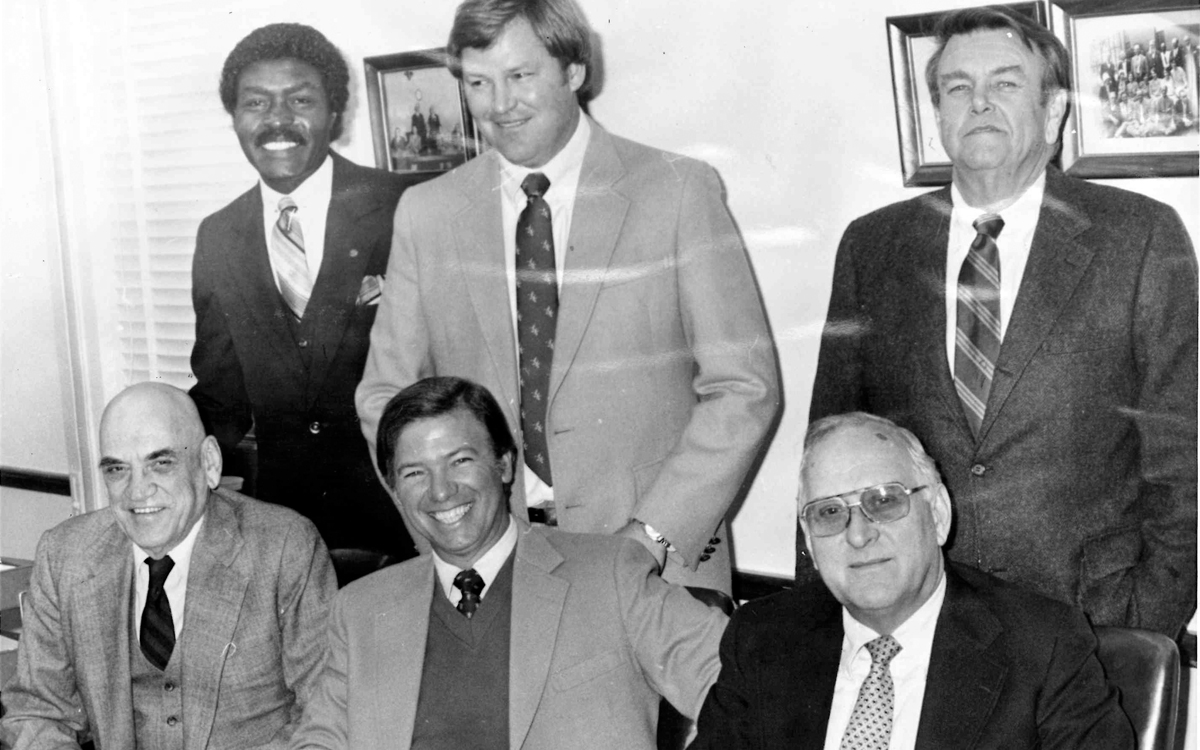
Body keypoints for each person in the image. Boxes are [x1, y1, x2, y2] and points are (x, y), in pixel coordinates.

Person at [355, 0, 779, 596]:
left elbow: (743, 387)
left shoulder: (677, 192)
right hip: (490, 567)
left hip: (659, 566)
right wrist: (448, 523)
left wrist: (652, 535)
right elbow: (385, 397)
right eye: (478, 83)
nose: (500, 104)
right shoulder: (427, 214)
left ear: (573, 70)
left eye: (520, 75)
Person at [808, 6, 1196, 637]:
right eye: (958, 87)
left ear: (1054, 112)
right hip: (923, 624)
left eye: (1006, 84)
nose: (980, 103)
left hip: (1093, 623)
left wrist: (1146, 622)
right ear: (938, 114)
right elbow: (828, 447)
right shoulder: (873, 247)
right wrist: (825, 622)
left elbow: (1185, 457)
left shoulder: (1139, 236)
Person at [290, 376, 727, 750]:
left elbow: (742, 682)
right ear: (394, 489)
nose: (441, 492)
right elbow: (320, 741)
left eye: (460, 461)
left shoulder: (609, 574)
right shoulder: (361, 609)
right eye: (415, 473)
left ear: (503, 464)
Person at [691, 412, 1134, 749]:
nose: (858, 535)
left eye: (884, 501)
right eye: (829, 512)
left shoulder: (1044, 647)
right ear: (809, 538)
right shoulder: (764, 637)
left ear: (937, 514)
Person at [190, 23, 424, 560]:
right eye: (256, 103)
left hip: (408, 521)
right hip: (287, 536)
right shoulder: (218, 236)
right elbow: (222, 398)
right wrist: (158, 441)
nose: (277, 120)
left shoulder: (407, 204)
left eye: (300, 100)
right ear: (234, 117)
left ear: (334, 112)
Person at [0, 383, 336, 750]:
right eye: (117, 469)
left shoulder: (283, 547)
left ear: (209, 463)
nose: (137, 491)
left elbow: (325, 717)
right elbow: (36, 711)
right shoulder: (66, 555)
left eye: (160, 464)